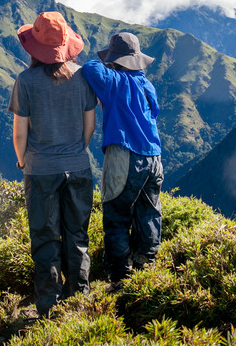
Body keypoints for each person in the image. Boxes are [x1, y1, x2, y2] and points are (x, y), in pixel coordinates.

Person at [8, 11, 97, 317]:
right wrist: (77, 150)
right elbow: (90, 124)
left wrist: (22, 160)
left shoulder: (26, 81)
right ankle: (79, 299)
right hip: (78, 167)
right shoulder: (82, 77)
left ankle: (49, 306)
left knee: (45, 237)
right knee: (77, 235)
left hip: (40, 169)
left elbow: (20, 131)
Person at [81, 32, 163, 291]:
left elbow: (89, 68)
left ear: (115, 60)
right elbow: (155, 112)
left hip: (124, 155)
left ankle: (120, 276)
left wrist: (108, 63)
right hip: (153, 156)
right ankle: (145, 266)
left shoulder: (112, 80)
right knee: (148, 212)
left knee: (116, 215)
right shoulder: (147, 85)